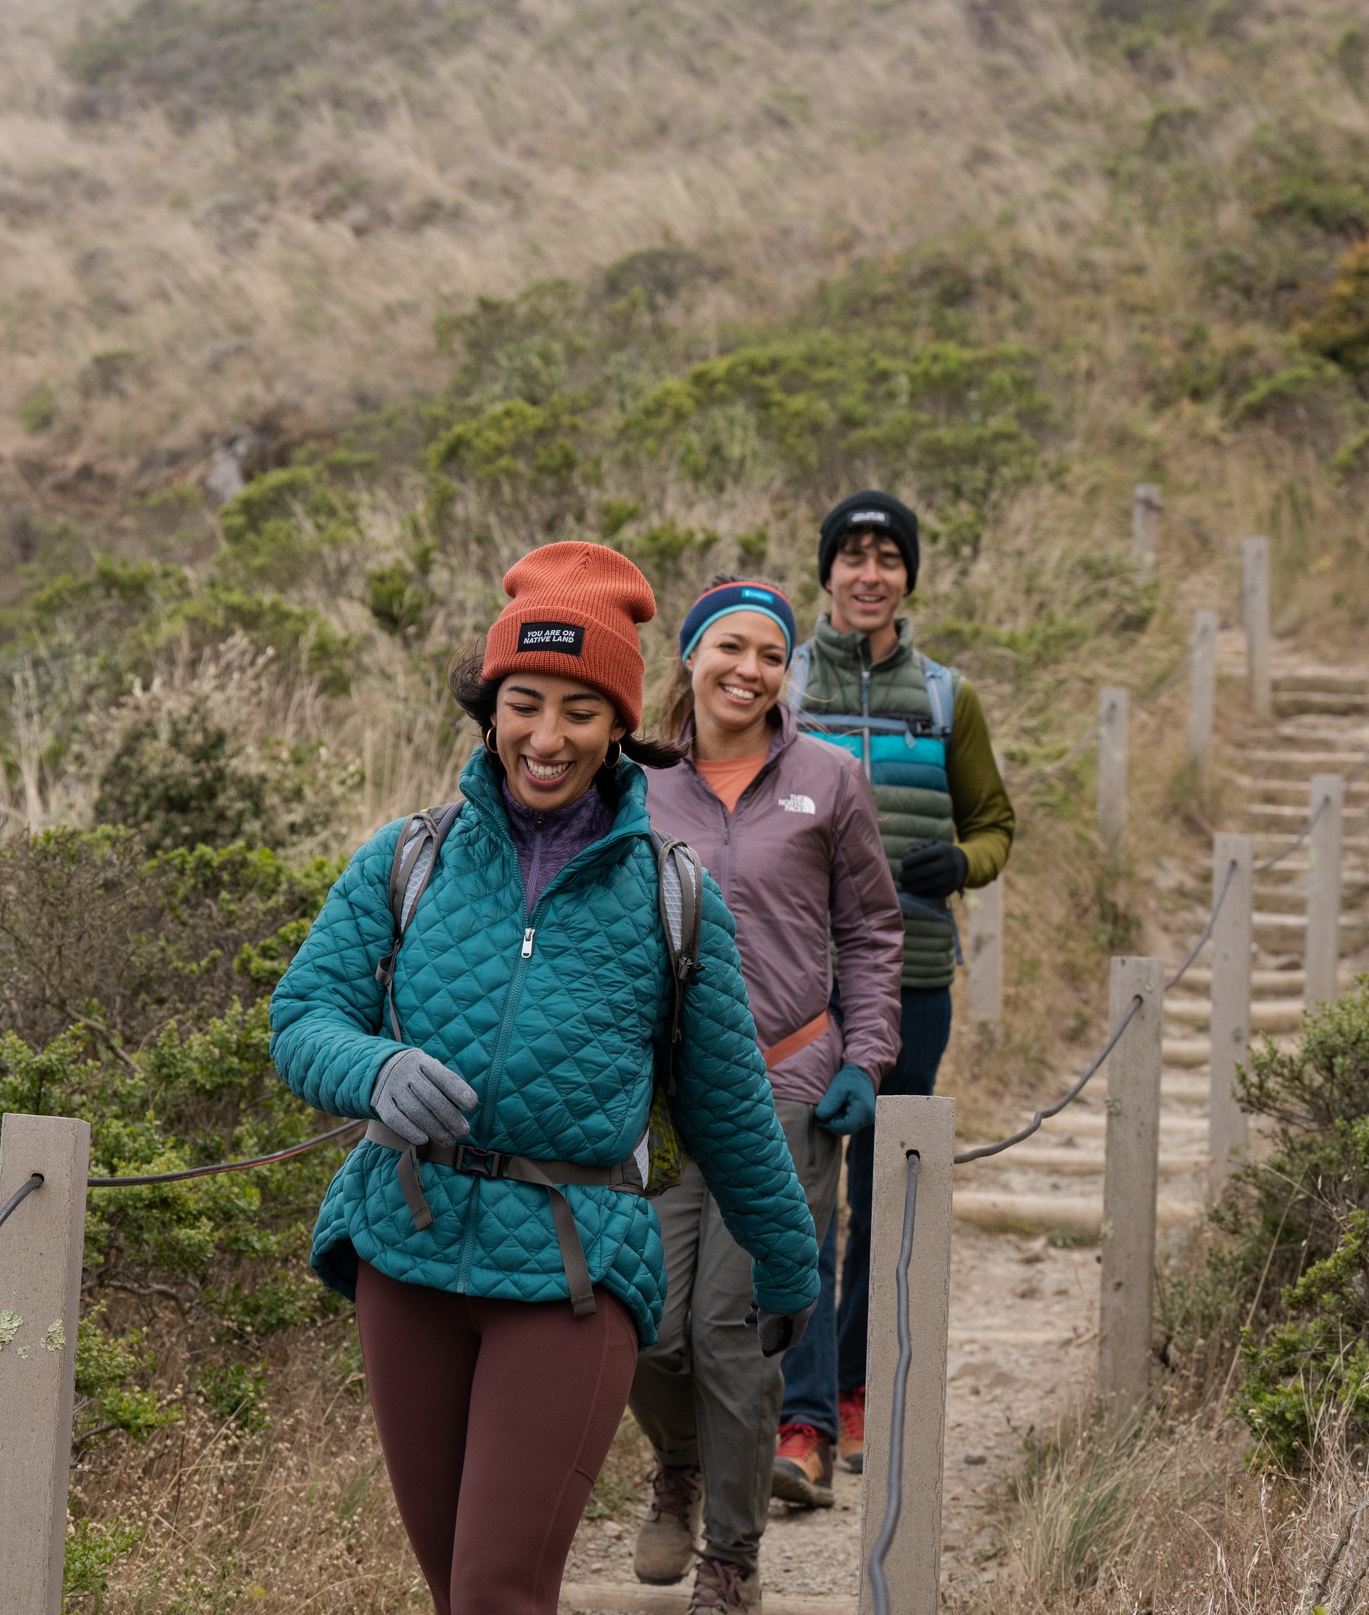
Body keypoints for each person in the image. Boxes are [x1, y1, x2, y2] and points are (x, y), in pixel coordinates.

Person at [269, 541, 820, 1615]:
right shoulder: (406, 856)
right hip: (406, 1246)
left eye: (580, 710)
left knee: (494, 1594)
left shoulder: (674, 897)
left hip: (572, 1274)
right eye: (524, 703)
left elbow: (728, 1105)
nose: (546, 737)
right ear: (489, 709)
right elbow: (301, 1018)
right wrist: (372, 1068)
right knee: (454, 1591)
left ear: (622, 724)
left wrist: (788, 1261)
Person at [626, 578, 904, 1607]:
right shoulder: (632, 783)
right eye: (729, 648)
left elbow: (873, 931)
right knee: (643, 1324)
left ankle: (731, 1558)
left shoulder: (829, 779)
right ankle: (680, 1466)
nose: (749, 670)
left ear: (788, 672)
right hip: (655, 1098)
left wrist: (863, 1058)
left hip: (786, 1084)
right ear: (690, 659)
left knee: (736, 1333)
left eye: (771, 655)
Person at [776, 491, 1015, 1485]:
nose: (868, 574)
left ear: (908, 576)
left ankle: (853, 1391)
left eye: (887, 557)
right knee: (796, 1201)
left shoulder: (948, 699)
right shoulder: (777, 688)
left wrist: (960, 865)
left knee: (884, 1201)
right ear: (825, 571)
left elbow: (996, 825)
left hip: (913, 981)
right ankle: (800, 1419)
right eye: (852, 556)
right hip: (794, 993)